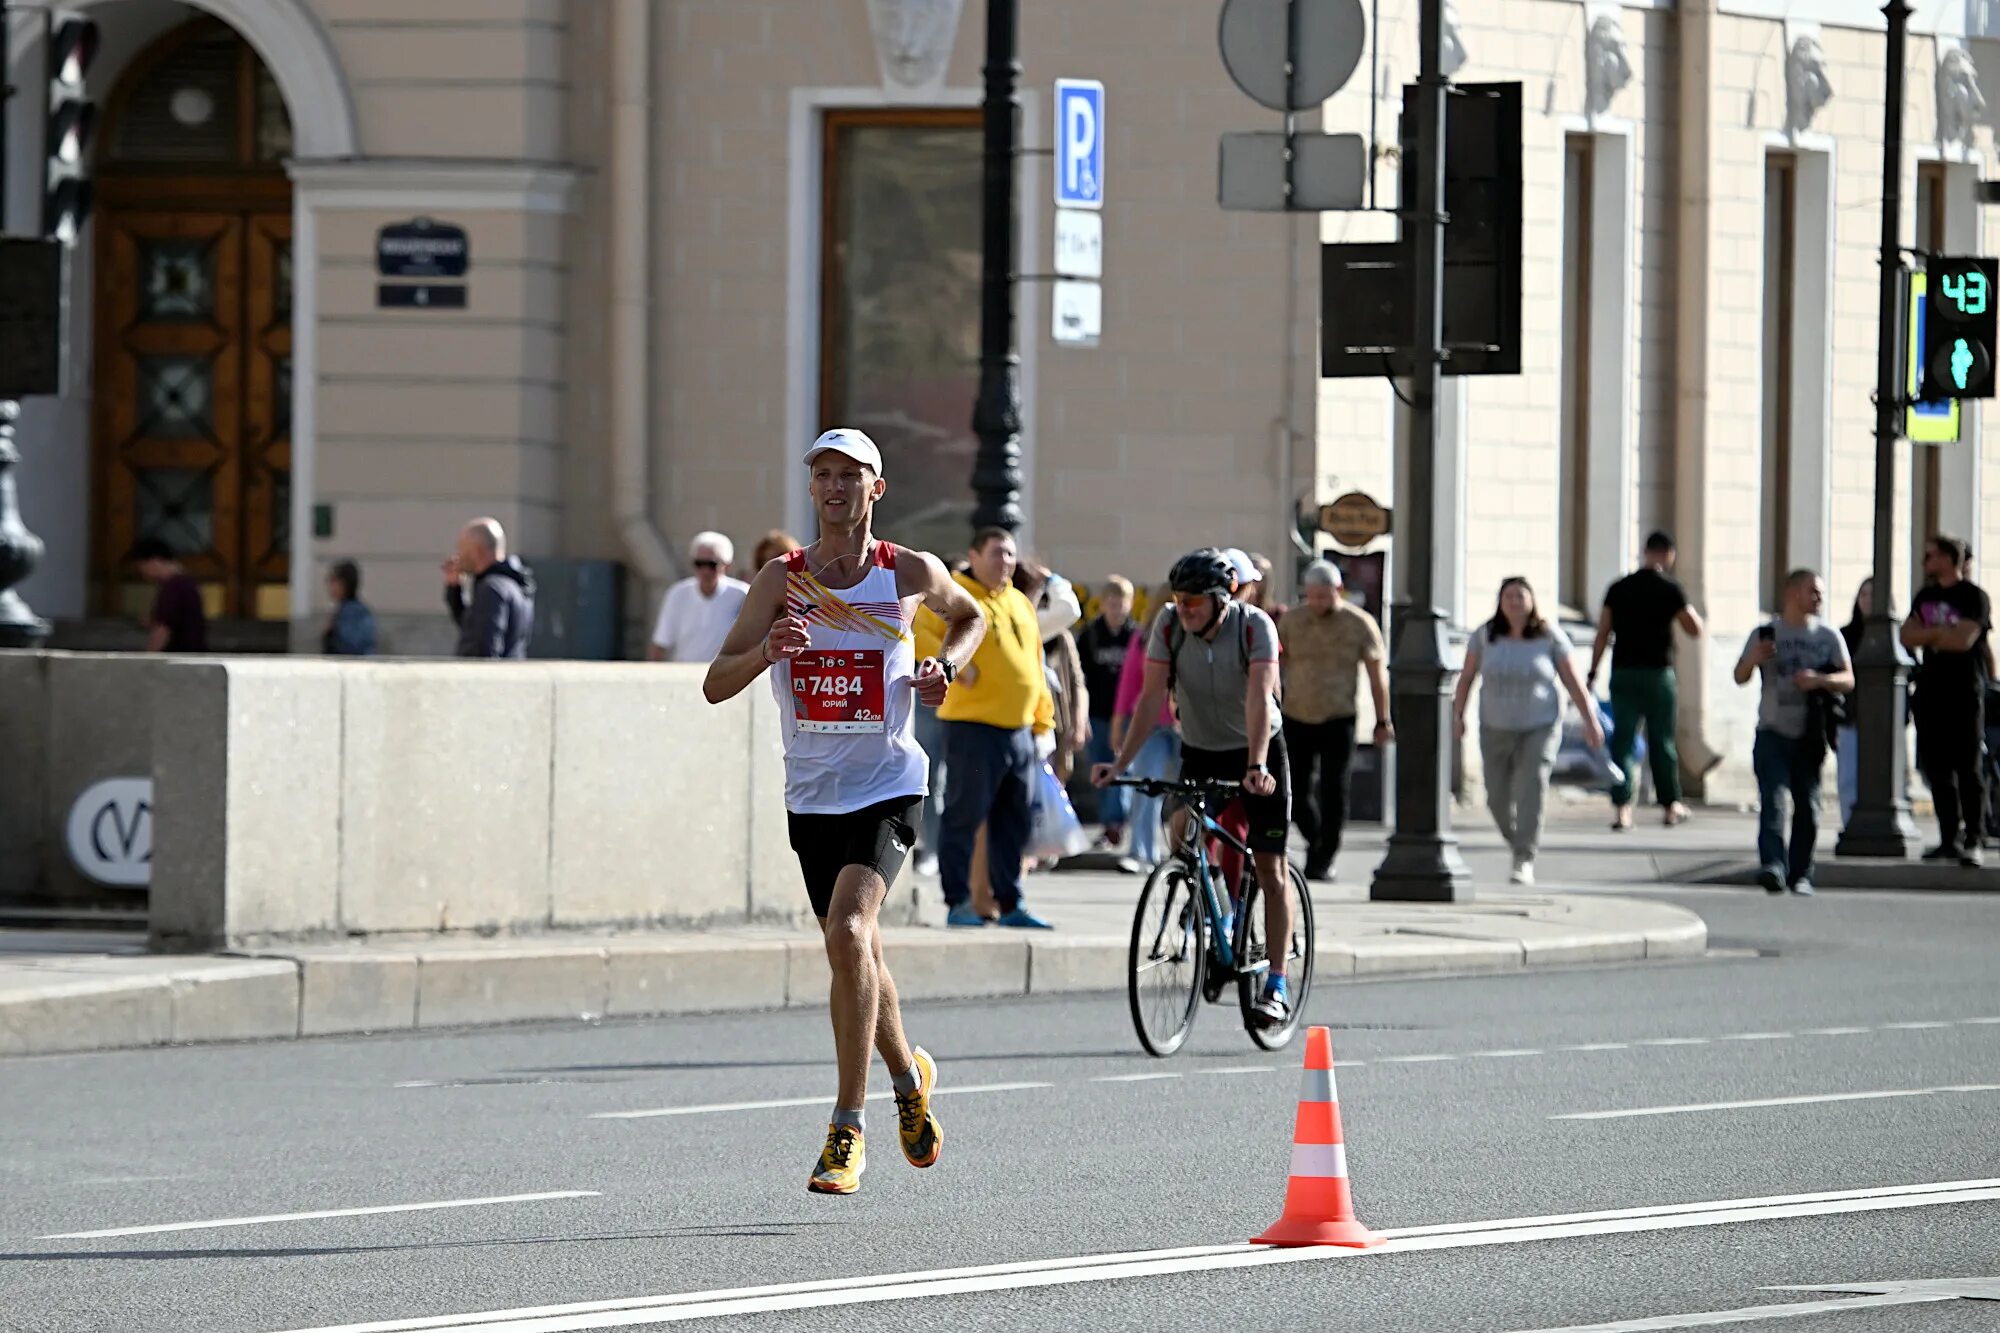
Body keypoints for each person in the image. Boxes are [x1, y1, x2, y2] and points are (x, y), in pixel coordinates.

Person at [702, 427, 983, 1196]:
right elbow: (715, 682)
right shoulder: (779, 580)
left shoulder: (906, 572)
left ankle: (846, 1128)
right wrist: (768, 652)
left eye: (849, 475)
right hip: (812, 794)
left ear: (876, 489)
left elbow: (971, 615)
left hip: (890, 783)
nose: (833, 487)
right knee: (859, 955)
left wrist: (943, 667)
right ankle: (909, 1082)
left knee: (848, 930)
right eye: (822, 475)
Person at [1095, 547, 1294, 1028]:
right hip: (1201, 748)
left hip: (1257, 746)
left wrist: (1256, 764)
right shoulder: (1167, 626)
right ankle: (1218, 912)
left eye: (1194, 603)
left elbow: (1259, 699)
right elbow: (1149, 699)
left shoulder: (1254, 627)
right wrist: (1119, 763)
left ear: (1222, 599)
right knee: (1182, 829)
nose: (1184, 609)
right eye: (1180, 600)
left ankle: (1277, 982)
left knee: (1269, 867)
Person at [936, 528, 1057, 930]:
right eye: (995, 553)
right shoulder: (953, 593)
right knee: (963, 816)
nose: (1004, 561)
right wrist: (956, 666)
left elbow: (1035, 666)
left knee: (1013, 822)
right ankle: (958, 901)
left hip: (1019, 731)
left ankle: (1010, 902)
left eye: (1009, 554)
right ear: (974, 554)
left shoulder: (1020, 601)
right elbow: (919, 635)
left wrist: (1043, 723)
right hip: (973, 727)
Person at [1454, 577, 1603, 886]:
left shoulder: (1549, 637)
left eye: (1520, 596)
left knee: (1531, 788)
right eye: (1508, 596)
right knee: (1495, 797)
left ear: (1532, 601)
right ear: (1500, 601)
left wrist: (1590, 719)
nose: (1514, 601)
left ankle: (1524, 857)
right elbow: (1467, 677)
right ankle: (1517, 840)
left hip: (1540, 725)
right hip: (1495, 725)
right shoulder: (1485, 636)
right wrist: (1458, 714)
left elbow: (1572, 680)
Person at [1735, 569, 1852, 894]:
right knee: (1773, 801)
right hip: (1772, 729)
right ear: (1792, 592)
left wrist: (1819, 680)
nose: (1819, 598)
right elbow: (1739, 675)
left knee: (1808, 805)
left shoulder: (1828, 636)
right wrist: (1752, 659)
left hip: (1810, 734)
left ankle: (1801, 873)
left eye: (1821, 592)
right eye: (1813, 591)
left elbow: (1849, 679)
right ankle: (1773, 865)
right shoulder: (1766, 632)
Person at [1278, 560, 1390, 881]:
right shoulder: (1292, 620)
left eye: (1324, 596)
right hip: (1297, 714)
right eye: (1312, 596)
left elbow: (1375, 674)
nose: (1317, 603)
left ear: (1338, 591)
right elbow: (1276, 665)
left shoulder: (1359, 623)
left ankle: (1324, 857)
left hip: (1338, 716)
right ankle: (1317, 841)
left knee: (1334, 789)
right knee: (1295, 791)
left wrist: (1382, 720)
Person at [1589, 531, 1705, 830]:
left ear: (1645, 552)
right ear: (1668, 554)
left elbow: (1603, 632)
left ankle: (1623, 809)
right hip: (1658, 674)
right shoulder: (1670, 588)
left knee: (1623, 741)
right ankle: (1669, 806)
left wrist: (1593, 671)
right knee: (1662, 741)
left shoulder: (1619, 588)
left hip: (1624, 672)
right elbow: (1694, 628)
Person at [1903, 535, 1992, 867]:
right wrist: (1941, 633)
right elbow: (1906, 635)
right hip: (1930, 693)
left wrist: (1933, 633)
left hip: (1964, 693)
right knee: (1938, 769)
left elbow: (1964, 640)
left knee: (1968, 768)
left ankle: (1974, 838)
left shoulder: (1974, 597)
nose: (1925, 561)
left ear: (1947, 559)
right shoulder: (1926, 595)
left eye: (1930, 555)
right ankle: (1948, 838)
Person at [1111, 583, 1182, 865]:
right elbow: (1129, 684)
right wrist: (1119, 724)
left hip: (1186, 726)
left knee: (1187, 790)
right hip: (1150, 724)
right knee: (1146, 785)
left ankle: (1184, 850)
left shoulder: (1196, 636)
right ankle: (1140, 851)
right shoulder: (1142, 638)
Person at [1078, 577, 1139, 848]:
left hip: (1127, 715)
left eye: (1121, 604)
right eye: (1112, 604)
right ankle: (1108, 823)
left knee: (1122, 768)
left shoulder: (1135, 636)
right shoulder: (1092, 634)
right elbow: (1081, 677)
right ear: (1102, 605)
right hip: (1098, 713)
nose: (1116, 610)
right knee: (1100, 767)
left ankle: (1118, 822)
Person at [649, 532, 750, 662]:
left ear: (727, 566)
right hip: (684, 675)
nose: (705, 571)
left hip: (724, 676)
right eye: (699, 564)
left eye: (712, 565)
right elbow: (661, 643)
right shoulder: (677, 594)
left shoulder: (742, 594)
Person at [444, 518, 535, 658]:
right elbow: (471, 628)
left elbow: (485, 648)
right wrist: (455, 589)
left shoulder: (492, 589)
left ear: (477, 551)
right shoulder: (514, 584)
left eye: (462, 549)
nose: (458, 556)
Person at [1835, 579, 1871, 827]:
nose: (1868, 600)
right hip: (1850, 716)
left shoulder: (1894, 635)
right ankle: (1850, 824)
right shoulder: (1845, 635)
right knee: (1849, 777)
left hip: (1882, 721)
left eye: (1873, 594)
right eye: (1864, 594)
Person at [129, 538, 207, 653]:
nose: (143, 573)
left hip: (179, 656)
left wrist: (148, 658)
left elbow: (164, 629)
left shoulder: (174, 587)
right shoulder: (186, 583)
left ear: (154, 561)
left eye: (142, 567)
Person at [323, 560, 377, 656]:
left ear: (344, 584)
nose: (330, 586)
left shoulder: (352, 612)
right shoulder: (348, 609)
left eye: (333, 581)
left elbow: (351, 647)